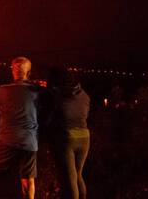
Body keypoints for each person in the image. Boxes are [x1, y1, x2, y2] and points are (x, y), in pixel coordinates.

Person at [0, 57, 41, 199]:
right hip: (29, 140)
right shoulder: (36, 91)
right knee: (28, 178)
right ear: (28, 72)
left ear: (13, 71)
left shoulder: (2, 90)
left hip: (7, 138)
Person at [48, 67, 90, 199]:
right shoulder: (84, 95)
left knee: (70, 180)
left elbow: (50, 118)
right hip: (84, 137)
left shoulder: (57, 96)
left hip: (67, 138)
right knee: (78, 175)